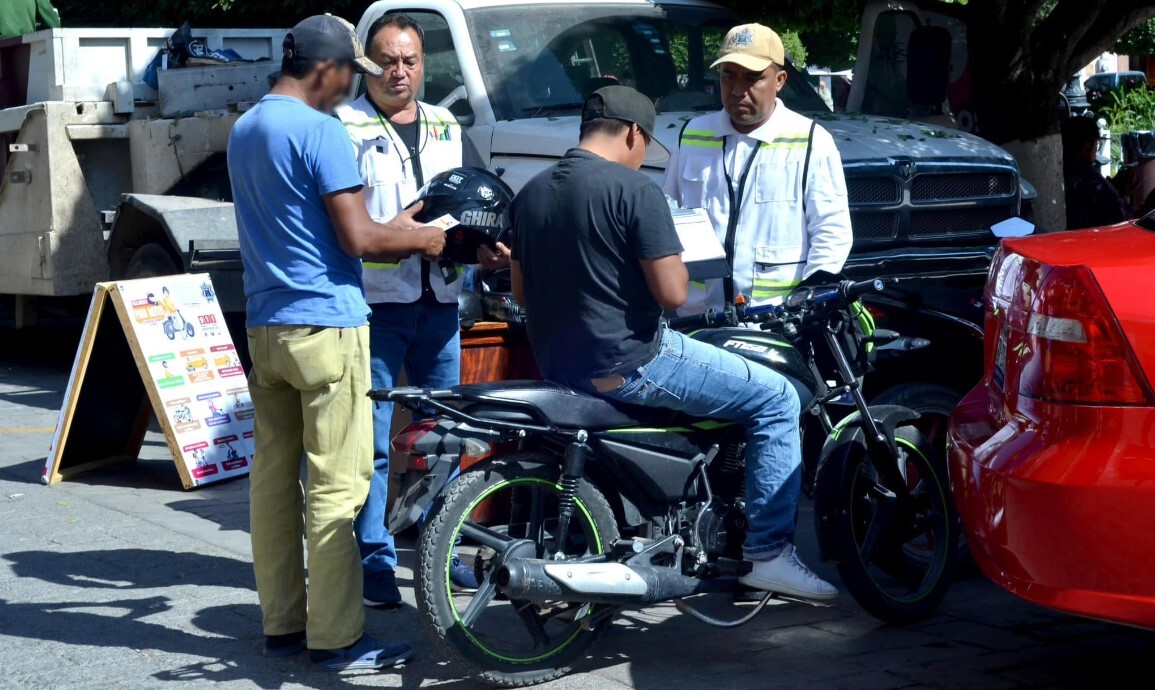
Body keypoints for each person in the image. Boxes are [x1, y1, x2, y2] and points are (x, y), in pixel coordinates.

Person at [510, 85, 838, 601]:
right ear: (635, 133)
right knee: (776, 398)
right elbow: (673, 293)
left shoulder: (530, 192)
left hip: (560, 366)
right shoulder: (634, 191)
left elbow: (522, 291)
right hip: (635, 360)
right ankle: (770, 553)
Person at [227, 15, 445, 672]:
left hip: (267, 325)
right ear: (327, 68)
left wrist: (392, 226)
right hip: (326, 324)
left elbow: (315, 226)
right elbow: (359, 241)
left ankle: (284, 627)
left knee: (271, 483)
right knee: (338, 486)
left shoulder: (246, 126)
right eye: (352, 73)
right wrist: (425, 238)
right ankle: (338, 639)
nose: (354, 87)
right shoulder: (319, 129)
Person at [335, 12, 508, 608]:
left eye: (410, 61)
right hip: (376, 305)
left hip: (439, 302)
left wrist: (484, 247)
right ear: (367, 65)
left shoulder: (443, 122)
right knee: (375, 444)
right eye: (386, 60)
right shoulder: (345, 125)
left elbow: (467, 204)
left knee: (448, 436)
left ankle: (443, 548)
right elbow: (348, 228)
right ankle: (376, 558)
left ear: (424, 65)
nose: (398, 71)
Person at [663, 24, 852, 313]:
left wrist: (806, 303)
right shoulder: (691, 136)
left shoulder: (812, 141)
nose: (738, 90)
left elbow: (831, 234)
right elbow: (669, 219)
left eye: (753, 78)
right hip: (699, 321)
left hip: (775, 322)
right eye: (729, 75)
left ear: (780, 80)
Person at [1062, 117, 1132, 230]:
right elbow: (1121, 218)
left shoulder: (1061, 171)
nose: (1096, 148)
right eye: (1096, 144)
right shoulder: (1089, 178)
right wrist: (1125, 195)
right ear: (1086, 146)